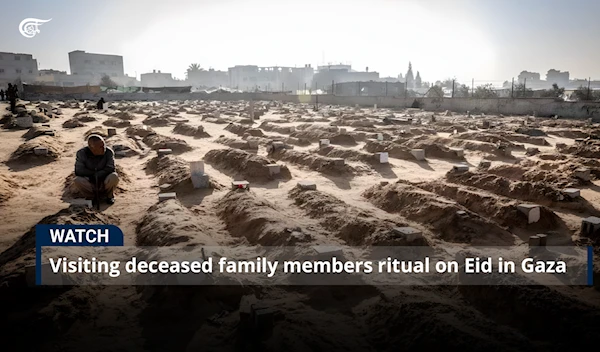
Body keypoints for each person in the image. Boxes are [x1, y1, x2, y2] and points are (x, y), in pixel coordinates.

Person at [73, 134, 120, 205]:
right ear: (92, 148)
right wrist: (92, 175)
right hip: (89, 180)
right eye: (100, 147)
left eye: (104, 145)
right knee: (78, 180)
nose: (103, 148)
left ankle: (109, 196)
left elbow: (110, 168)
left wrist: (99, 174)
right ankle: (91, 197)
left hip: (104, 179)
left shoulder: (108, 152)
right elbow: (79, 170)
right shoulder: (81, 153)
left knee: (114, 176)